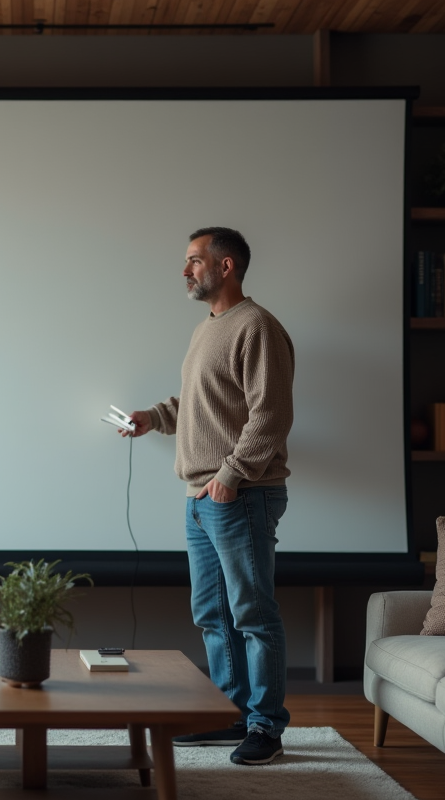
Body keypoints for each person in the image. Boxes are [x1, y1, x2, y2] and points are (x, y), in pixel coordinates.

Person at [120, 226, 294, 766]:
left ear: (225, 267)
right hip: (202, 495)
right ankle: (230, 715)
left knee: (252, 615)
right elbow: (201, 403)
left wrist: (233, 473)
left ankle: (265, 727)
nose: (185, 270)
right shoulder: (207, 330)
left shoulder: (258, 327)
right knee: (213, 615)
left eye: (194, 261)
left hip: (239, 494)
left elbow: (271, 415)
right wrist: (154, 418)